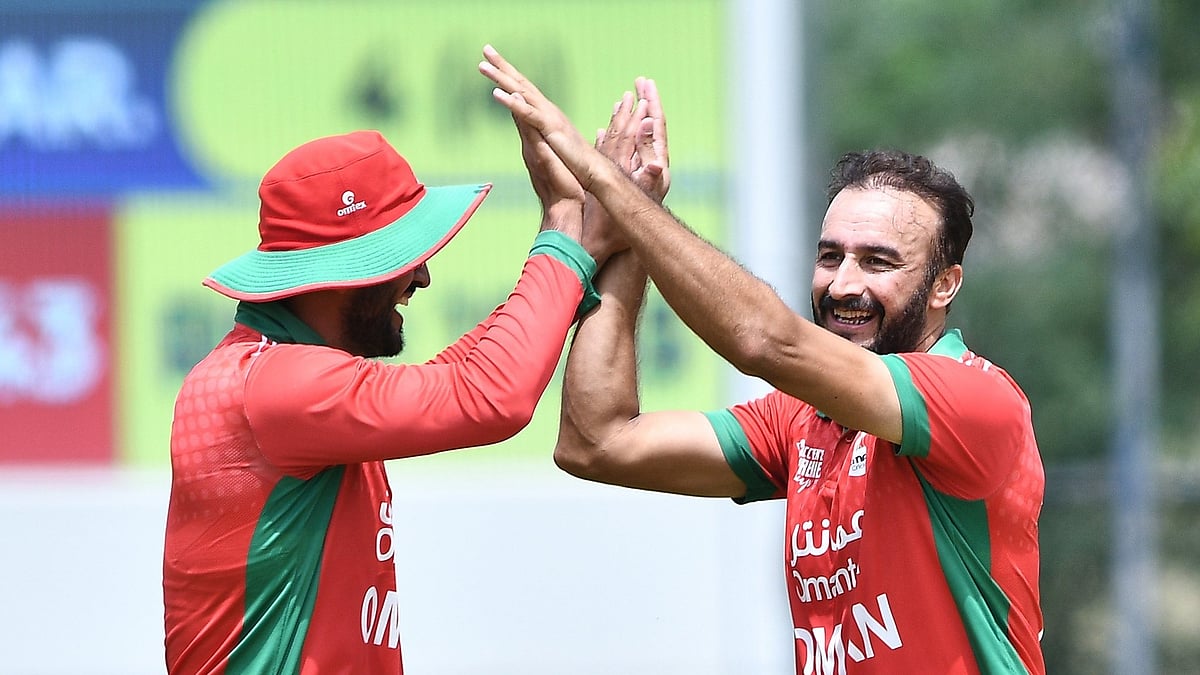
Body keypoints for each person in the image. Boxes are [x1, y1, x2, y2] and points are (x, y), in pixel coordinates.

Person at [479, 45, 1046, 674]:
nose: (843, 284)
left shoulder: (974, 400)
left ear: (945, 285)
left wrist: (609, 188)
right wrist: (622, 240)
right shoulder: (804, 421)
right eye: (831, 256)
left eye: (879, 262)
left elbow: (765, 342)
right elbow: (598, 441)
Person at [162, 127, 613, 673]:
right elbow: (495, 394)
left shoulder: (275, 375)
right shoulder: (278, 387)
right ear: (342, 268)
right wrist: (563, 222)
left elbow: (462, 373)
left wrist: (576, 257)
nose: (422, 275)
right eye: (403, 255)